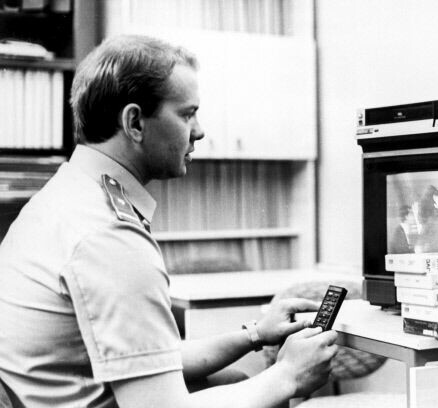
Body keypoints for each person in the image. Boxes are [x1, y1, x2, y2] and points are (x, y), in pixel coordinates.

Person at [0, 35, 338, 408]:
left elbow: (151, 359)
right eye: (186, 113)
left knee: (234, 380)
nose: (199, 130)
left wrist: (255, 334)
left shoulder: (66, 198)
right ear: (135, 123)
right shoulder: (107, 237)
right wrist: (289, 374)